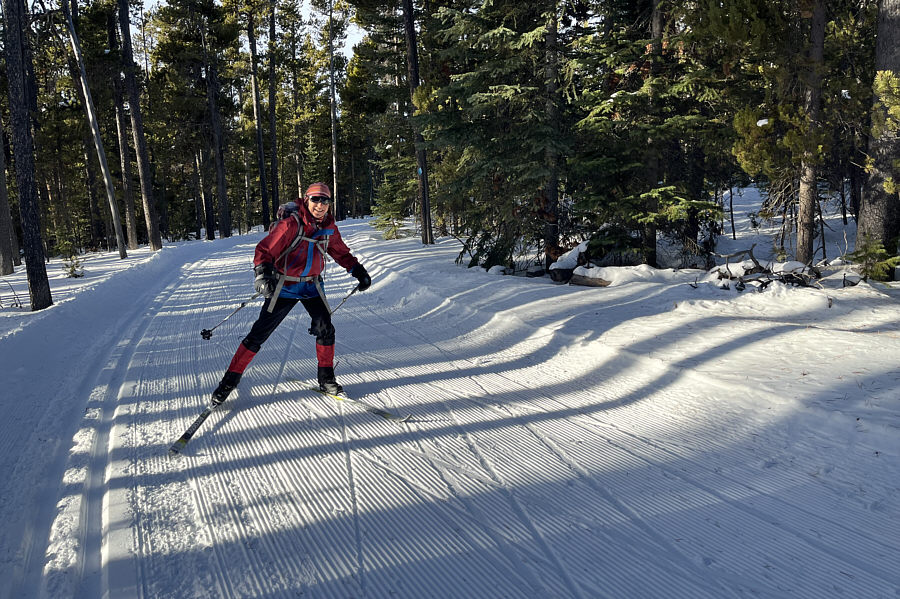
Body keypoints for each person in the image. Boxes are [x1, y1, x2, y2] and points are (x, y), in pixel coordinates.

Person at [211, 182, 371, 404]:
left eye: (325, 200)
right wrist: (263, 273)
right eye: (316, 199)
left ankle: (326, 379)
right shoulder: (291, 225)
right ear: (306, 200)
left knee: (325, 328)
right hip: (283, 286)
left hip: (311, 286)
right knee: (259, 334)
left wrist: (358, 270)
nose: (320, 204)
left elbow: (341, 253)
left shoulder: (329, 228)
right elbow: (265, 250)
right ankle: (228, 383)